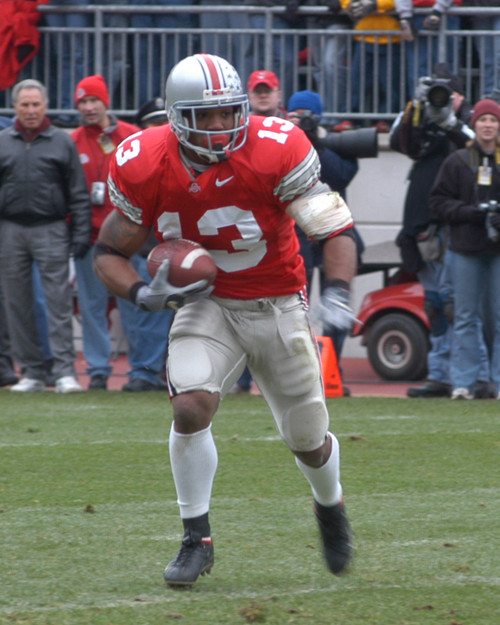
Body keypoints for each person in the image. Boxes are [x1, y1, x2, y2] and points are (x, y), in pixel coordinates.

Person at [94, 53, 356, 586]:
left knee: (308, 436)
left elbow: (334, 230)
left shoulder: (277, 148)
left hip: (278, 299)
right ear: (175, 116)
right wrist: (143, 292)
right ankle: (197, 538)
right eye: (205, 116)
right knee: (189, 406)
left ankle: (329, 506)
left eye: (227, 112)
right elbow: (106, 253)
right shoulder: (143, 160)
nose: (219, 126)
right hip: (206, 304)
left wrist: (343, 292)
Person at [391, 64, 491, 398]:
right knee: (435, 303)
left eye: (451, 92)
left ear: (461, 96)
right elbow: (400, 143)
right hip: (423, 225)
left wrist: (449, 121)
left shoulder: (468, 127)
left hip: (460, 232)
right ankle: (440, 373)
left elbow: (475, 144)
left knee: (462, 305)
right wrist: (415, 107)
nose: (443, 98)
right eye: (438, 90)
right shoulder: (421, 115)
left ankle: (475, 374)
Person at [71, 75, 172, 391]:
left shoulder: (132, 136)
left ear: (106, 103)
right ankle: (98, 369)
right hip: (90, 239)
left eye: (93, 101)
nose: (89, 107)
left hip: (128, 241)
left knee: (134, 304)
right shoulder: (72, 140)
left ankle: (139, 371)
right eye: (83, 102)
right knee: (92, 308)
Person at [0, 78, 90, 393]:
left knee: (58, 302)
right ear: (15, 108)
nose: (30, 110)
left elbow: (78, 193)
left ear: (46, 105)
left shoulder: (62, 143)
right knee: (16, 304)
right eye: (24, 104)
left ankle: (65, 371)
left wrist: (79, 233)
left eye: (36, 104)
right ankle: (31, 372)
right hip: (9, 230)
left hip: (52, 228)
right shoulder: (2, 141)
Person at [287, 90, 361, 394]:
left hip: (330, 233)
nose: (300, 121)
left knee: (336, 304)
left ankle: (332, 370)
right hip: (295, 235)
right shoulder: (279, 143)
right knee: (293, 305)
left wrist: (316, 141)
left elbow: (341, 175)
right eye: (296, 115)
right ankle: (295, 373)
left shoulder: (333, 142)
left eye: (306, 115)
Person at [429, 98, 500, 400]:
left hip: (497, 251)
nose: (488, 125)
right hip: (465, 249)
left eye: (493, 120)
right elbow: (438, 202)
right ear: (474, 124)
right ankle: (463, 382)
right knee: (465, 317)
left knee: (498, 317)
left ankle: (497, 381)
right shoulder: (457, 161)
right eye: (483, 120)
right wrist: (470, 212)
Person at [343, 0, 402, 132]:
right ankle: (351, 118)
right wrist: (350, 4)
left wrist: (376, 4)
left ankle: (385, 120)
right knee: (357, 82)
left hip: (391, 35)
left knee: (389, 83)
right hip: (363, 34)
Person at [395, 0, 462, 99]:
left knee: (447, 70)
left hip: (447, 12)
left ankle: (450, 106)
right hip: (416, 13)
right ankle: (419, 108)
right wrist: (405, 17)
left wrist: (438, 10)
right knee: (417, 70)